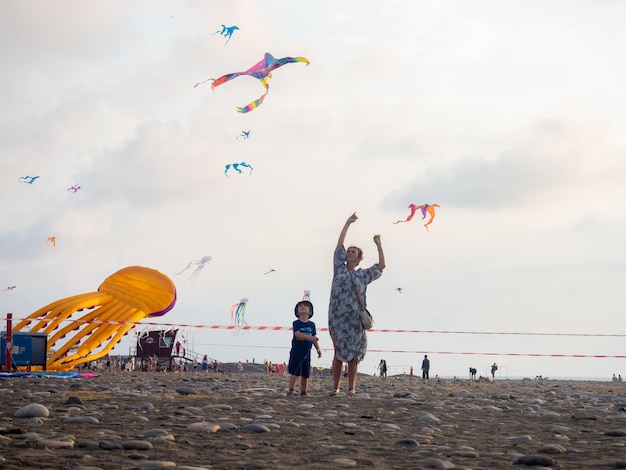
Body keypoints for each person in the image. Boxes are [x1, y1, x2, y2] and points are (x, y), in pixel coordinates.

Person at [328, 212, 385, 396]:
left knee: (353, 356)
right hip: (338, 318)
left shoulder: (363, 275)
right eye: (349, 251)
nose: (349, 253)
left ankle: (351, 388)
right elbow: (339, 245)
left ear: (359, 258)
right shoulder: (338, 268)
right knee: (338, 353)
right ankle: (336, 387)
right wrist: (347, 223)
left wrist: (379, 245)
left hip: (355, 320)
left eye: (354, 252)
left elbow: (381, 266)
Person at [287, 300, 321, 396]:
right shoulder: (296, 323)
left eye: (305, 306)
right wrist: (310, 338)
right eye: (300, 306)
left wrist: (318, 349)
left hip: (307, 352)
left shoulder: (312, 325)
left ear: (310, 311)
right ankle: (291, 389)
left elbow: (314, 338)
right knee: (295, 371)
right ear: (297, 312)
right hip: (296, 351)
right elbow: (298, 335)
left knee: (306, 373)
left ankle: (303, 391)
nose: (302, 307)